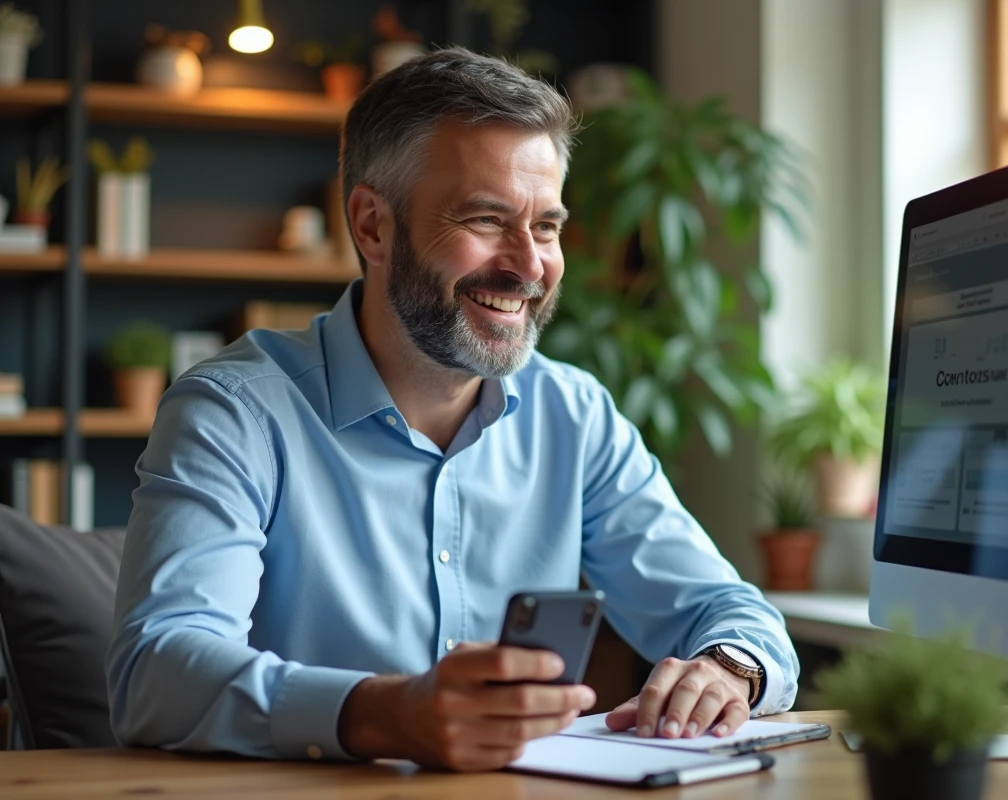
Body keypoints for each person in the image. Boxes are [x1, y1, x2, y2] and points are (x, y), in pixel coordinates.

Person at [105, 47, 799, 772]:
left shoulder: (574, 415)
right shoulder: (234, 412)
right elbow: (155, 672)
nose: (530, 266)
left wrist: (728, 669)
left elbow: (729, 613)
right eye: (487, 219)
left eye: (549, 227)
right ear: (373, 226)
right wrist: (384, 713)